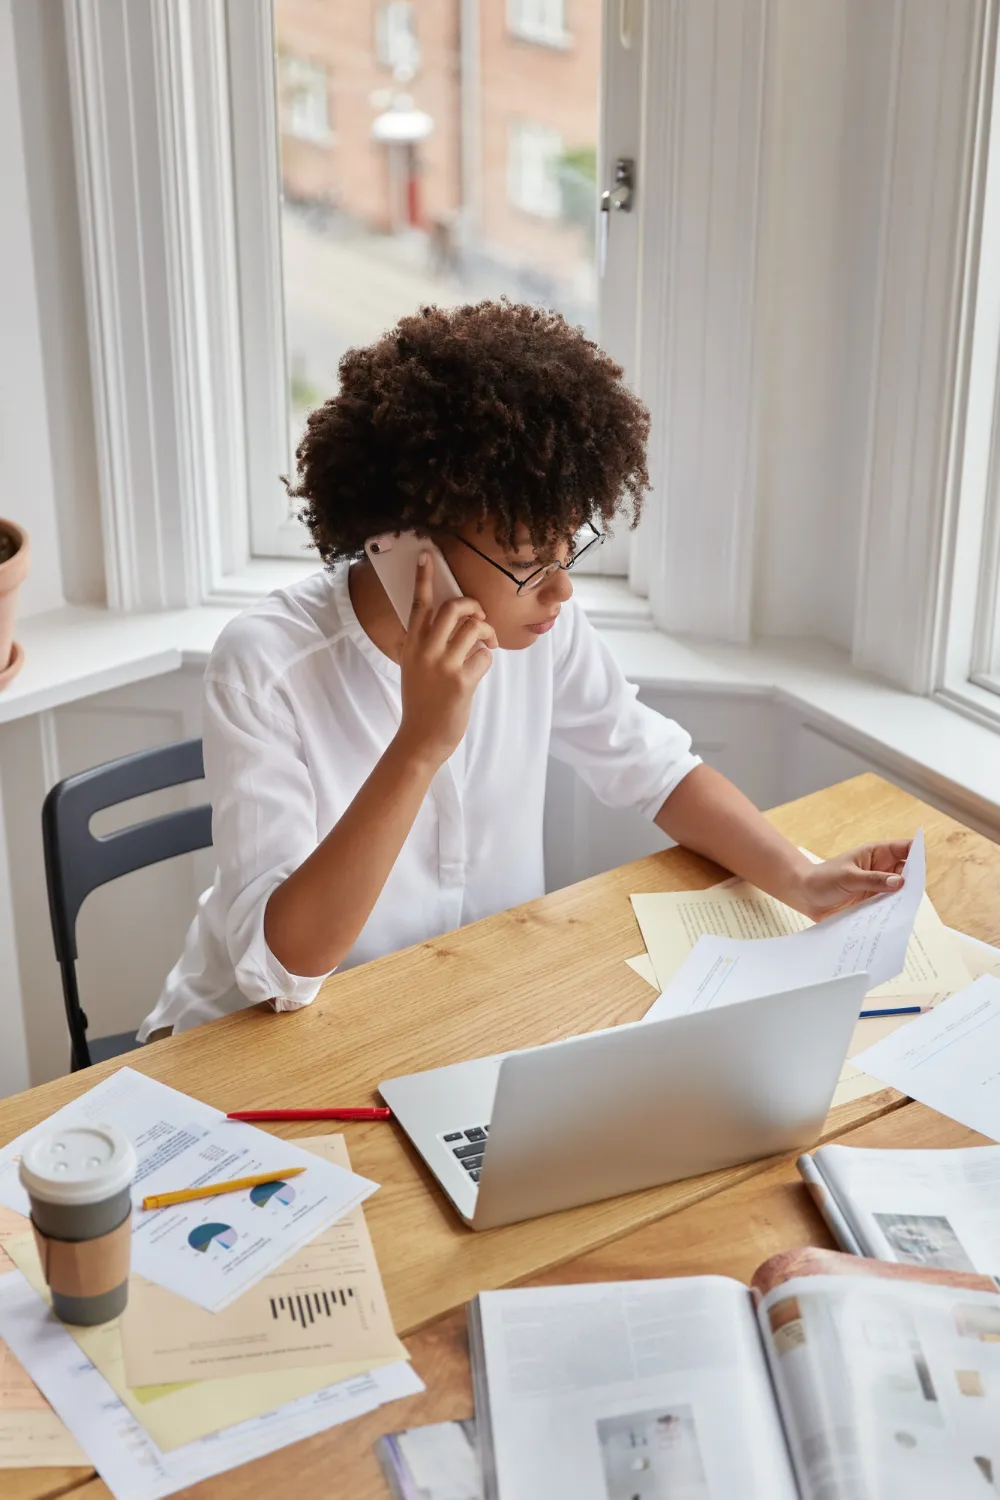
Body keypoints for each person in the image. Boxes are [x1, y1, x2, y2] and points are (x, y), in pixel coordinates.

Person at [139, 301, 909, 1039]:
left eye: (565, 548)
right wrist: (420, 745)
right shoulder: (267, 664)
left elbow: (656, 769)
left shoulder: (539, 628)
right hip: (256, 1042)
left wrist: (801, 879)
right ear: (407, 549)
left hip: (451, 1014)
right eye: (524, 563)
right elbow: (281, 969)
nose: (561, 589)